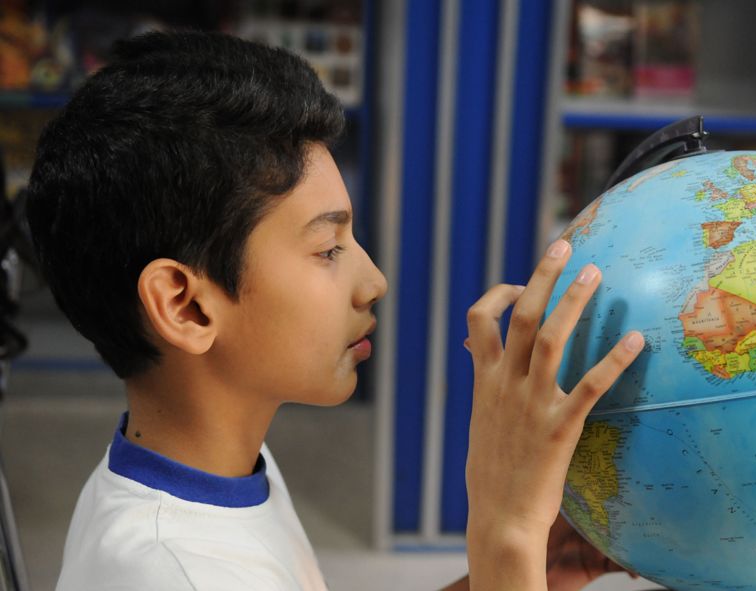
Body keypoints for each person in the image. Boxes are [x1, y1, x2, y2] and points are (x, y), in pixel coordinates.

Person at [25, 30, 644, 590]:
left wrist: (530, 569)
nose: (373, 281)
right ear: (186, 306)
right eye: (328, 248)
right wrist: (506, 536)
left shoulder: (219, 467)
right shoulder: (173, 573)